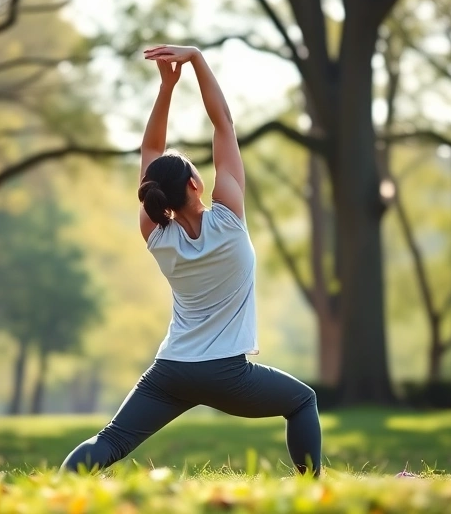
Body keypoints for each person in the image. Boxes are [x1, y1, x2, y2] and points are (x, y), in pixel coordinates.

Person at [60, 44, 322, 477]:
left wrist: (166, 88)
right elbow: (224, 124)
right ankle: (314, 487)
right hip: (228, 374)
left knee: (111, 440)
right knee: (302, 400)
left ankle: (52, 492)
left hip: (172, 370)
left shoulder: (156, 233)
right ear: (198, 184)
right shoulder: (229, 217)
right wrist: (198, 59)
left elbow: (150, 148)